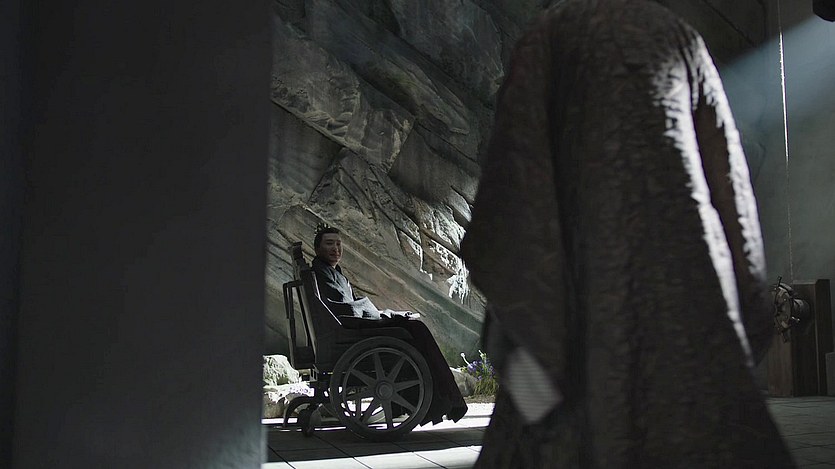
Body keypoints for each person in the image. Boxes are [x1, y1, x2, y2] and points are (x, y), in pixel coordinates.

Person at [459, 0, 795, 467]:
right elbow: (730, 184)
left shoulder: (551, 35)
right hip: (687, 294)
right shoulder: (678, 36)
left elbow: (513, 181)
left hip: (574, 295)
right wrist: (746, 305)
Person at [310, 224, 467, 424]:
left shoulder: (330, 271)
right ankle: (444, 400)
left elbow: (349, 306)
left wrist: (386, 314)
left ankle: (440, 399)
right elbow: (346, 310)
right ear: (317, 249)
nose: (335, 249)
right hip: (351, 333)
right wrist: (383, 317)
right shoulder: (322, 273)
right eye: (329, 244)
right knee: (416, 329)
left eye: (338, 244)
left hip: (350, 328)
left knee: (413, 326)